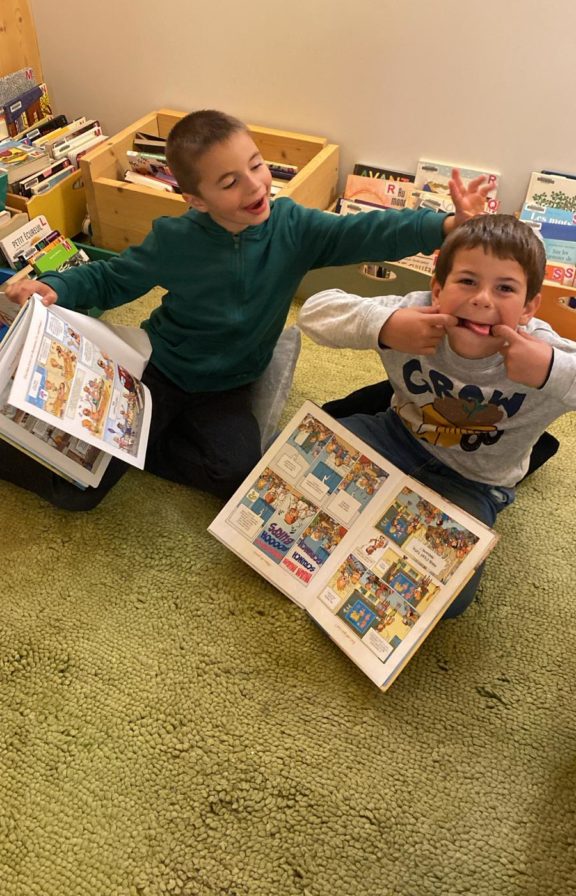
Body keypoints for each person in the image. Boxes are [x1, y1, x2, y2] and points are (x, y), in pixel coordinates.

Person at [2, 110, 490, 511]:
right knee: (79, 488)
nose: (254, 186)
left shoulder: (293, 226)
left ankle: (147, 443)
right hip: (162, 371)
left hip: (231, 383)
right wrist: (57, 285)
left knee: (239, 475)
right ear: (195, 200)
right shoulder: (175, 239)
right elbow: (112, 278)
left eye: (257, 166)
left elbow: (365, 233)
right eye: (230, 182)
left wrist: (444, 225)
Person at [298, 210, 576, 617]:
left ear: (529, 307)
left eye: (505, 288)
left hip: (474, 482)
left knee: (446, 597)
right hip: (394, 435)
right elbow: (313, 312)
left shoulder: (544, 352)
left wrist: (552, 370)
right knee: (287, 463)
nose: (483, 299)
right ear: (438, 289)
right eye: (468, 281)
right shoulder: (417, 311)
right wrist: (385, 325)